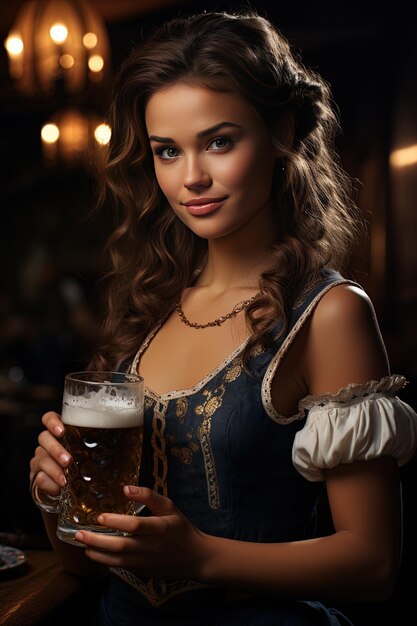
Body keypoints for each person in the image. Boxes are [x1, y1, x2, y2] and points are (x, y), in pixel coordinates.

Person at [29, 9, 417, 626]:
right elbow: (84, 566)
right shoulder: (150, 307)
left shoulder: (329, 314)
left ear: (281, 131)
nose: (191, 178)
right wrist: (58, 500)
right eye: (166, 151)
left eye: (219, 141)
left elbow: (373, 565)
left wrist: (202, 557)